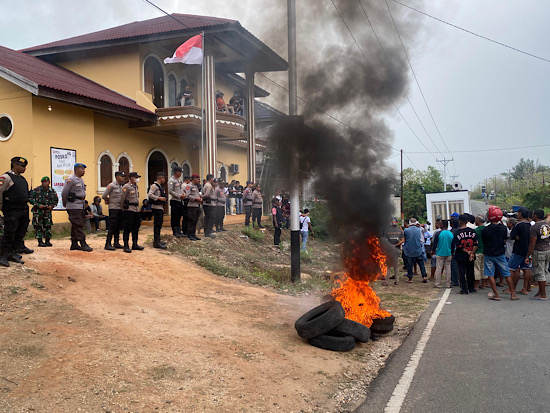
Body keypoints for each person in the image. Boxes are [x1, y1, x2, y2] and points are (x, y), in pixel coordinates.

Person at [482, 206, 518, 301]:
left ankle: (496, 295)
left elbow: (484, 241)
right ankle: (513, 294)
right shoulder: (504, 228)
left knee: (490, 274)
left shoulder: (485, 229)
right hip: (500, 253)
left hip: (489, 254)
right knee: (507, 273)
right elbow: (505, 238)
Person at [0, 157, 31, 266]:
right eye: (22, 166)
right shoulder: (6, 178)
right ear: (14, 165)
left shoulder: (22, 179)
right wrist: (1, 207)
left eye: (25, 166)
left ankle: (12, 253)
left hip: (23, 209)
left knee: (20, 232)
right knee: (10, 233)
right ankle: (2, 255)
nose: (24, 168)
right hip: (11, 209)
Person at [62, 162, 92, 252]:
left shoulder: (81, 180)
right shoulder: (71, 179)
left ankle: (74, 244)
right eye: (82, 169)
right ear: (76, 170)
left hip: (80, 205)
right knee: (78, 225)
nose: (84, 171)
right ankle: (83, 243)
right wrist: (65, 203)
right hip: (73, 205)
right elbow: (64, 192)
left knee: (76, 224)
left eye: (84, 169)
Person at [508, 207, 533, 295]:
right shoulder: (530, 225)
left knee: (511, 269)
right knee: (526, 269)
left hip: (518, 250)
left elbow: (512, 236)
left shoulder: (518, 225)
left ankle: (511, 288)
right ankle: (525, 288)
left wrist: (517, 237)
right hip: (527, 250)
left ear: (520, 214)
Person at [526, 209, 550, 300]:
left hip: (539, 251)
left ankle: (543, 295)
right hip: (547, 250)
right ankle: (540, 292)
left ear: (536, 215)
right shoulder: (547, 225)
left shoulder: (534, 227)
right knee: (544, 271)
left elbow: (532, 243)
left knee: (540, 273)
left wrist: (528, 255)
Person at [452, 214, 478, 294]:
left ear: (459, 221)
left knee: (462, 272)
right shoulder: (473, 231)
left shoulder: (457, 232)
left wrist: (467, 251)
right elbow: (475, 243)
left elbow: (458, 245)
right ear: (467, 222)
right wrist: (472, 253)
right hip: (471, 255)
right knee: (470, 271)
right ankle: (471, 288)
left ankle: (464, 289)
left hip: (461, 255)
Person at [29, 176, 58, 248]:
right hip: (38, 211)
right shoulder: (36, 190)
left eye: (46, 182)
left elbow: (56, 200)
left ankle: (47, 240)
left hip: (47, 211)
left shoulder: (52, 191)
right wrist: (38, 205)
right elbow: (30, 199)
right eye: (44, 182)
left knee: (48, 225)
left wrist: (52, 206)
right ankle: (40, 241)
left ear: (49, 182)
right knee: (38, 226)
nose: (45, 183)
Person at [120, 172, 143, 253]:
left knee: (136, 227)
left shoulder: (136, 186)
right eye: (136, 177)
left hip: (136, 209)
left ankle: (135, 244)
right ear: (132, 178)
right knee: (128, 228)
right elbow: (122, 198)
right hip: (129, 209)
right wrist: (122, 209)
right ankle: (126, 245)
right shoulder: (126, 187)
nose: (137, 179)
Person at [102, 171, 126, 250]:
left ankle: (116, 242)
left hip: (120, 208)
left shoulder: (122, 186)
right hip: (113, 208)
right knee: (112, 225)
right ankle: (108, 243)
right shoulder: (112, 185)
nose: (123, 178)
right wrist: (109, 200)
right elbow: (104, 195)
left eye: (123, 176)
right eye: (121, 176)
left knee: (118, 225)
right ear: (117, 177)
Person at [403, 218, 428, 283]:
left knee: (409, 265)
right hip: (418, 249)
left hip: (409, 250)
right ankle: (424, 276)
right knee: (421, 263)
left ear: (409, 222)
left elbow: (405, 238)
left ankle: (410, 278)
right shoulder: (419, 229)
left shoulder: (406, 230)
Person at [148, 172, 168, 249]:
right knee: (157, 225)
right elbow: (150, 194)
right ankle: (156, 242)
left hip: (160, 207)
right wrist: (159, 198)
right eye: (164, 178)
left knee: (159, 225)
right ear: (161, 178)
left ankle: (158, 240)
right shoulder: (154, 186)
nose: (164, 180)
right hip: (156, 207)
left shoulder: (160, 186)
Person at [383, 217, 404, 285]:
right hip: (396, 250)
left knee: (388, 266)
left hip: (389, 250)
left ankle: (386, 281)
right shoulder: (399, 231)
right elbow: (403, 240)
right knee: (396, 266)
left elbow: (385, 240)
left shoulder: (387, 231)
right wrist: (395, 245)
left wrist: (390, 246)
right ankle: (397, 281)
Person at [434, 220, 453, 288]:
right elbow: (453, 244)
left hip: (440, 252)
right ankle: (448, 284)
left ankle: (437, 283)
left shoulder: (438, 233)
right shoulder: (451, 233)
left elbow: (435, 243)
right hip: (449, 253)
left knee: (439, 268)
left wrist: (432, 250)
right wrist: (452, 253)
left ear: (441, 225)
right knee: (448, 268)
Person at [168, 167, 186, 238]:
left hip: (180, 201)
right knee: (174, 216)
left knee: (179, 216)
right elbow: (170, 191)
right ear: (176, 172)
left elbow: (180, 189)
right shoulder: (171, 180)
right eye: (180, 172)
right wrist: (178, 196)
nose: (181, 174)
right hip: (175, 201)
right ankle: (175, 231)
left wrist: (183, 194)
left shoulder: (179, 180)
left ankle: (179, 230)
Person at [184, 174, 202, 241]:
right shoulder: (189, 186)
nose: (199, 180)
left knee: (195, 221)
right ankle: (189, 234)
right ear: (194, 179)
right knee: (191, 221)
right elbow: (188, 195)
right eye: (198, 178)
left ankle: (193, 234)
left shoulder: (196, 186)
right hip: (191, 206)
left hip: (197, 205)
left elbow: (197, 194)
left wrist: (200, 198)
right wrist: (195, 199)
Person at [474, 215, 488, 290]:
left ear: (478, 221)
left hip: (477, 251)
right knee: (484, 268)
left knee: (476, 268)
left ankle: (476, 285)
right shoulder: (487, 229)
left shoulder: (476, 230)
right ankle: (483, 284)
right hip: (486, 251)